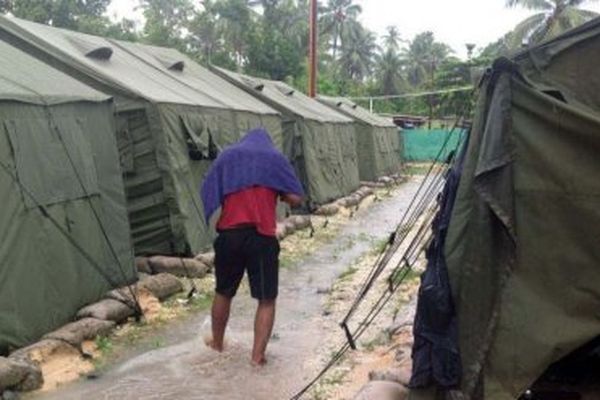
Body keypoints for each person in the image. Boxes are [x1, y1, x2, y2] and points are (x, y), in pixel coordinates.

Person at [200, 128, 304, 366]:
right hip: (261, 237)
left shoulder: (228, 157)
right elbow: (296, 197)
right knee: (266, 299)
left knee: (223, 292)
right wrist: (278, 192)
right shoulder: (274, 159)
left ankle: (216, 346)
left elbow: (208, 187)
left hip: (229, 236)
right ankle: (257, 358)